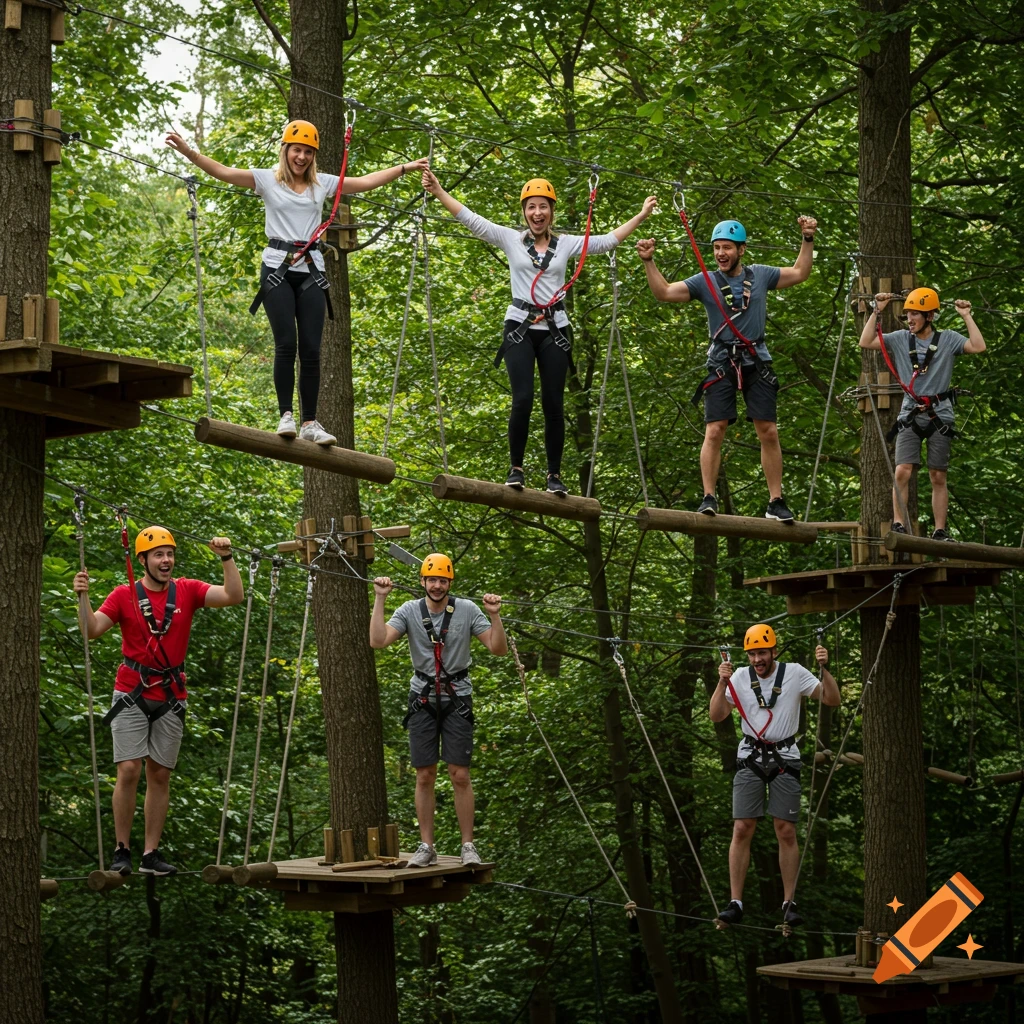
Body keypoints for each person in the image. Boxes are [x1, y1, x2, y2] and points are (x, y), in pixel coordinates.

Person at [166, 121, 428, 445]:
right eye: (296, 150)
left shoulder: (322, 185)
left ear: (313, 156)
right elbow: (222, 171)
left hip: (311, 271)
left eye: (307, 152)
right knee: (286, 344)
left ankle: (310, 423)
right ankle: (285, 415)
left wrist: (404, 168)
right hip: (277, 268)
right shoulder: (267, 180)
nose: (301, 157)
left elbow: (363, 183)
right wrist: (190, 152)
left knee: (312, 350)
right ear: (285, 151)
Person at [422, 168, 657, 494]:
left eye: (543, 207)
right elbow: (471, 219)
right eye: (531, 207)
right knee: (522, 399)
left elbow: (605, 242)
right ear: (524, 212)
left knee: (553, 404)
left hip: (555, 329)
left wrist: (642, 215)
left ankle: (554, 475)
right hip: (520, 326)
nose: (537, 213)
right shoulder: (510, 239)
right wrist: (438, 191)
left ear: (551, 211)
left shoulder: (566, 245)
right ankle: (516, 468)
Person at [73, 527, 244, 876]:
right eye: (158, 555)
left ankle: (151, 853)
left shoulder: (188, 591)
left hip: (170, 693)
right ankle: (123, 850)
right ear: (143, 561)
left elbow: (233, 595)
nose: (166, 561)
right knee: (129, 769)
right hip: (132, 690)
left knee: (160, 773)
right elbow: (91, 630)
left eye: (169, 554)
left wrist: (227, 558)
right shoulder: (124, 596)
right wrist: (83, 597)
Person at [636, 216, 818, 520]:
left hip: (756, 358)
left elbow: (800, 272)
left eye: (727, 248)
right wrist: (648, 261)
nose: (721, 253)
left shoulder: (760, 275)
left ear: (741, 250)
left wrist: (807, 239)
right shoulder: (705, 281)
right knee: (715, 430)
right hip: (721, 361)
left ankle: (776, 501)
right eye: (717, 247)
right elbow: (664, 293)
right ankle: (708, 496)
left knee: (768, 431)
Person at [369, 553, 507, 867]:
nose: (436, 585)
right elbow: (378, 641)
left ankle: (468, 845)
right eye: (431, 579)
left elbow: (497, 649)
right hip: (422, 698)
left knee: (459, 774)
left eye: (442, 580)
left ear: (449, 583)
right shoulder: (409, 610)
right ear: (422, 582)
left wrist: (495, 615)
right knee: (424, 775)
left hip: (457, 697)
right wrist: (380, 599)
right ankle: (426, 846)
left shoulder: (468, 610)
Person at [709, 623, 839, 927]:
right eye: (753, 654)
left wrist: (824, 669)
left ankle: (788, 902)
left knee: (785, 829)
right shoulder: (739, 677)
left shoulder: (794, 673)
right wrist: (721, 682)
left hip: (785, 757)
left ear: (774, 651)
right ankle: (736, 902)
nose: (758, 659)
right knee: (742, 827)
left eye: (762, 653)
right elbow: (717, 715)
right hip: (750, 756)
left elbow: (832, 699)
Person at [859, 288, 985, 540]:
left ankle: (940, 529)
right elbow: (866, 341)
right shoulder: (900, 338)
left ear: (929, 316)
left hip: (940, 414)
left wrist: (966, 316)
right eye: (908, 315)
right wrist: (876, 311)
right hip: (910, 413)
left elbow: (978, 346)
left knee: (937, 474)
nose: (910, 319)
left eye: (915, 314)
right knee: (902, 471)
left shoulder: (948, 339)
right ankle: (898, 524)